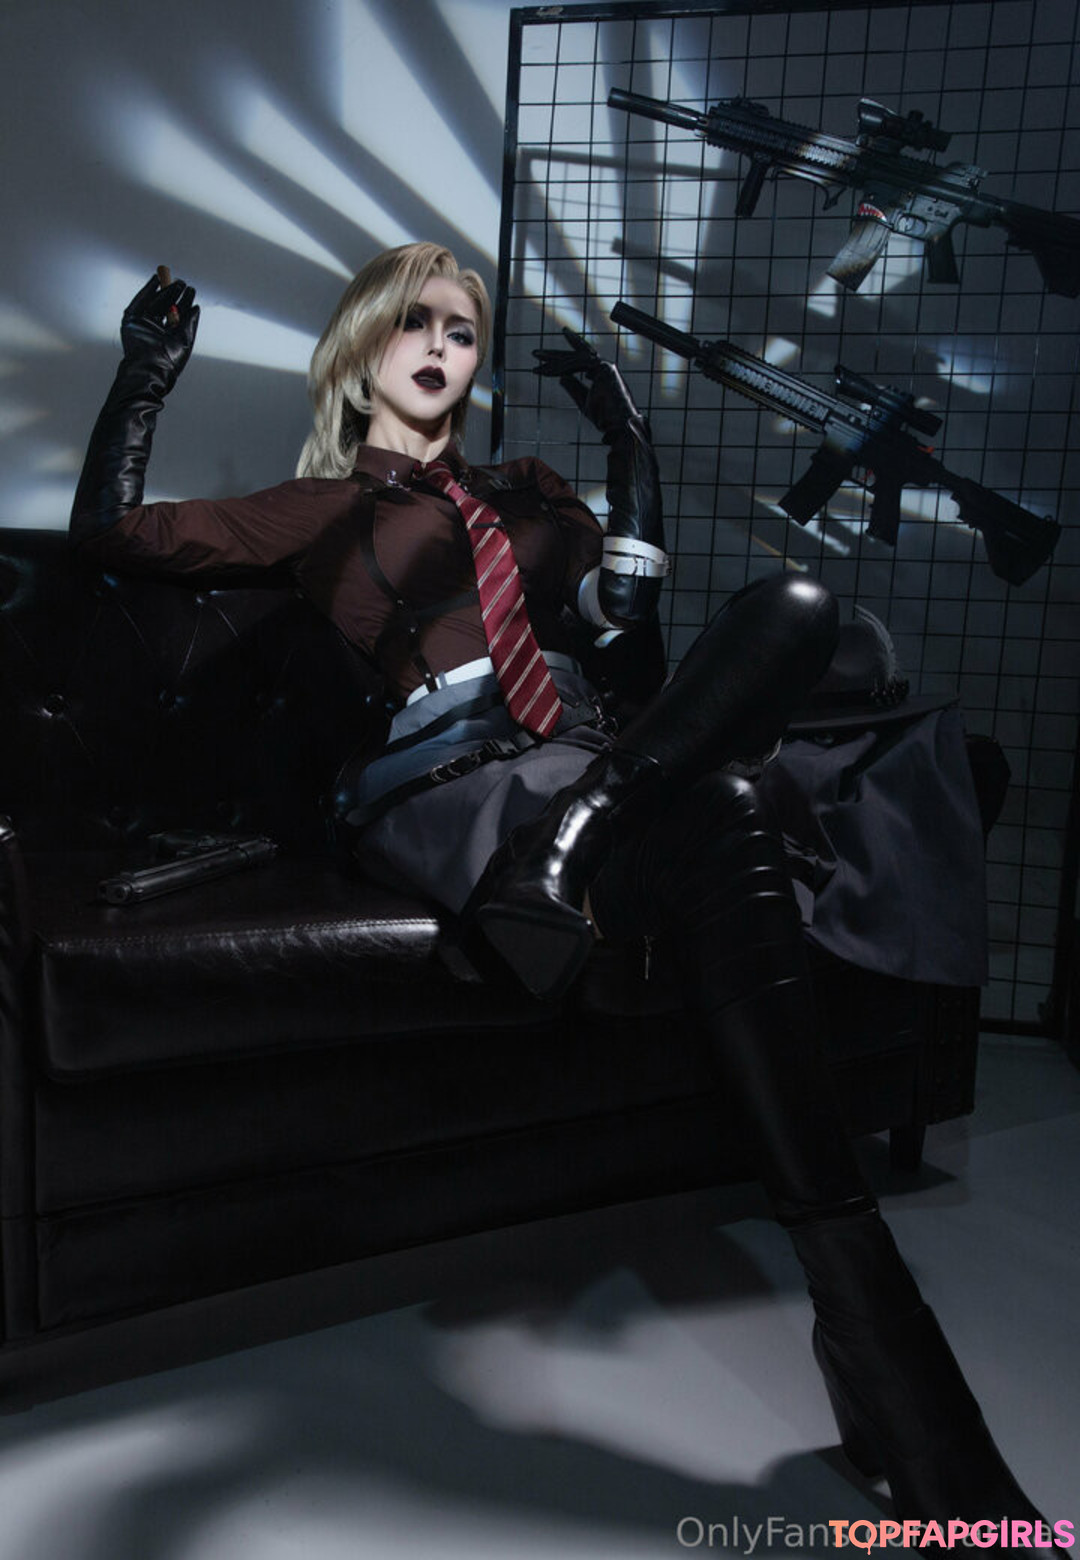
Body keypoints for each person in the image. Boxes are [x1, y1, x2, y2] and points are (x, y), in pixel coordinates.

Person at [70, 242, 1049, 1546]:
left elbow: (624, 631)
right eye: (412, 324)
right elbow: (114, 536)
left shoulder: (536, 498)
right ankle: (888, 1367)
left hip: (590, 759)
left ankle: (582, 840)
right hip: (452, 773)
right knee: (735, 805)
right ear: (360, 350)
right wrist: (143, 377)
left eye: (462, 329)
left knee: (800, 611)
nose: (441, 347)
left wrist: (630, 456)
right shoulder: (314, 510)